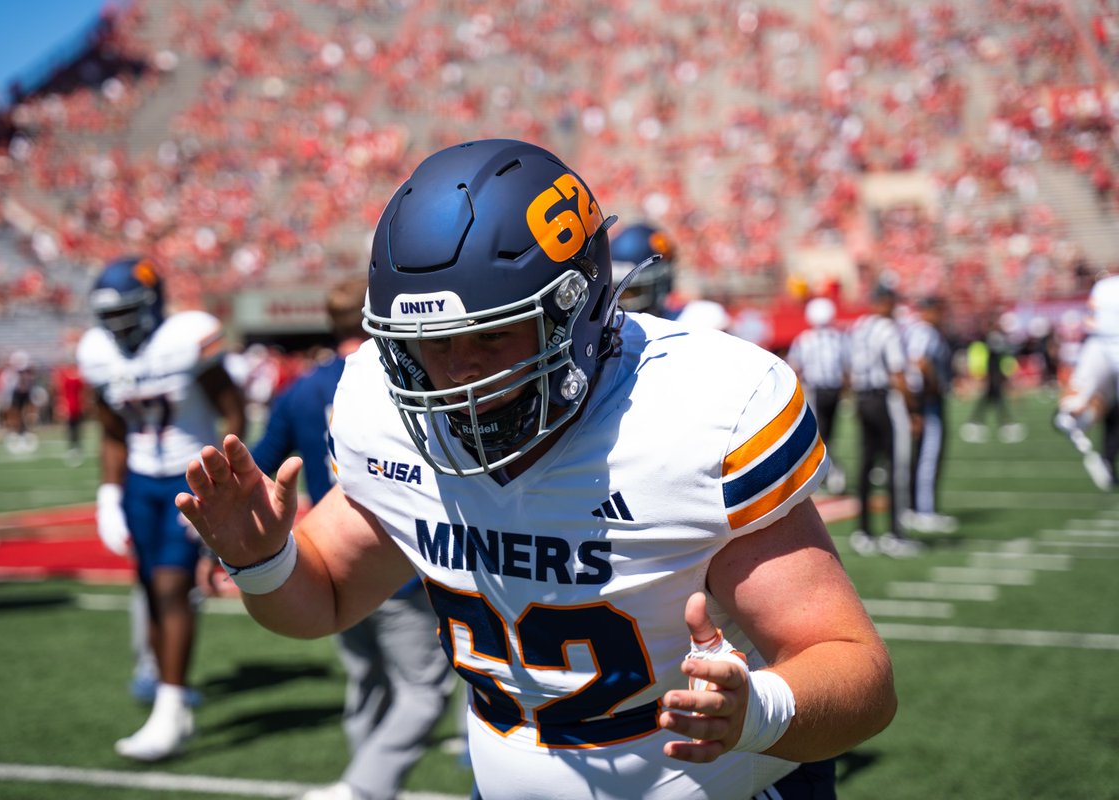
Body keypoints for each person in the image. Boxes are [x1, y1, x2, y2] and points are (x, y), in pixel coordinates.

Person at [176, 139, 896, 800]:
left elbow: (858, 673)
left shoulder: (695, 412)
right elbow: (325, 599)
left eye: (488, 336)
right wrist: (264, 562)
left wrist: (758, 710)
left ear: (573, 311)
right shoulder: (381, 405)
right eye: (431, 343)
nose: (457, 374)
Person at [250, 276, 453, 800]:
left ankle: (361, 785)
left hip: (328, 551)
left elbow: (260, 465)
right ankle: (363, 789)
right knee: (423, 690)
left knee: (366, 683)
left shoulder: (300, 391)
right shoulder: (406, 378)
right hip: (396, 559)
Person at [77, 256, 245, 760]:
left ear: (151, 304)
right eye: (111, 315)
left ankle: (171, 708)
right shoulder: (99, 354)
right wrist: (108, 494)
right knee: (150, 585)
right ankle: (166, 692)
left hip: (186, 475)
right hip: (139, 482)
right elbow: (111, 432)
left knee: (173, 585)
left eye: (128, 312)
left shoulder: (184, 339)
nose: (118, 326)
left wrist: (224, 481)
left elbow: (231, 410)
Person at [846, 283, 921, 557]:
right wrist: (913, 411)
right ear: (886, 301)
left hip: (864, 399)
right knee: (896, 465)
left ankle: (864, 532)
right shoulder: (887, 329)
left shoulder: (860, 326)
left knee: (866, 466)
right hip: (884, 400)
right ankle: (895, 534)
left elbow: (850, 368)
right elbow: (897, 372)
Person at [1055, 275, 1119, 491]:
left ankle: (1077, 419)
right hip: (1102, 342)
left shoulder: (1104, 285)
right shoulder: (1106, 285)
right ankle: (1074, 418)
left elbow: (1092, 318)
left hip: (1098, 343)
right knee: (1080, 398)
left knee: (1095, 401)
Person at [902, 295, 958, 533]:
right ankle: (924, 509)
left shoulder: (915, 330)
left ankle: (915, 507)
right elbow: (920, 363)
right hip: (927, 401)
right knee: (929, 455)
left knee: (920, 455)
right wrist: (933, 387)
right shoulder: (924, 332)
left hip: (921, 400)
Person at [786, 296, 848, 495]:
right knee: (826, 433)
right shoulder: (839, 337)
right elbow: (846, 368)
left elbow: (795, 368)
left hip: (816, 390)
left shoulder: (805, 340)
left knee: (818, 434)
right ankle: (828, 472)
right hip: (834, 390)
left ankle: (825, 473)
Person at [961, 312, 1026, 444]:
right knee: (995, 401)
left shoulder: (994, 338)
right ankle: (1003, 423)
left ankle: (979, 423)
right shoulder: (990, 339)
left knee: (991, 401)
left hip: (995, 376)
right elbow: (986, 358)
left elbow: (1002, 359)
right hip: (993, 376)